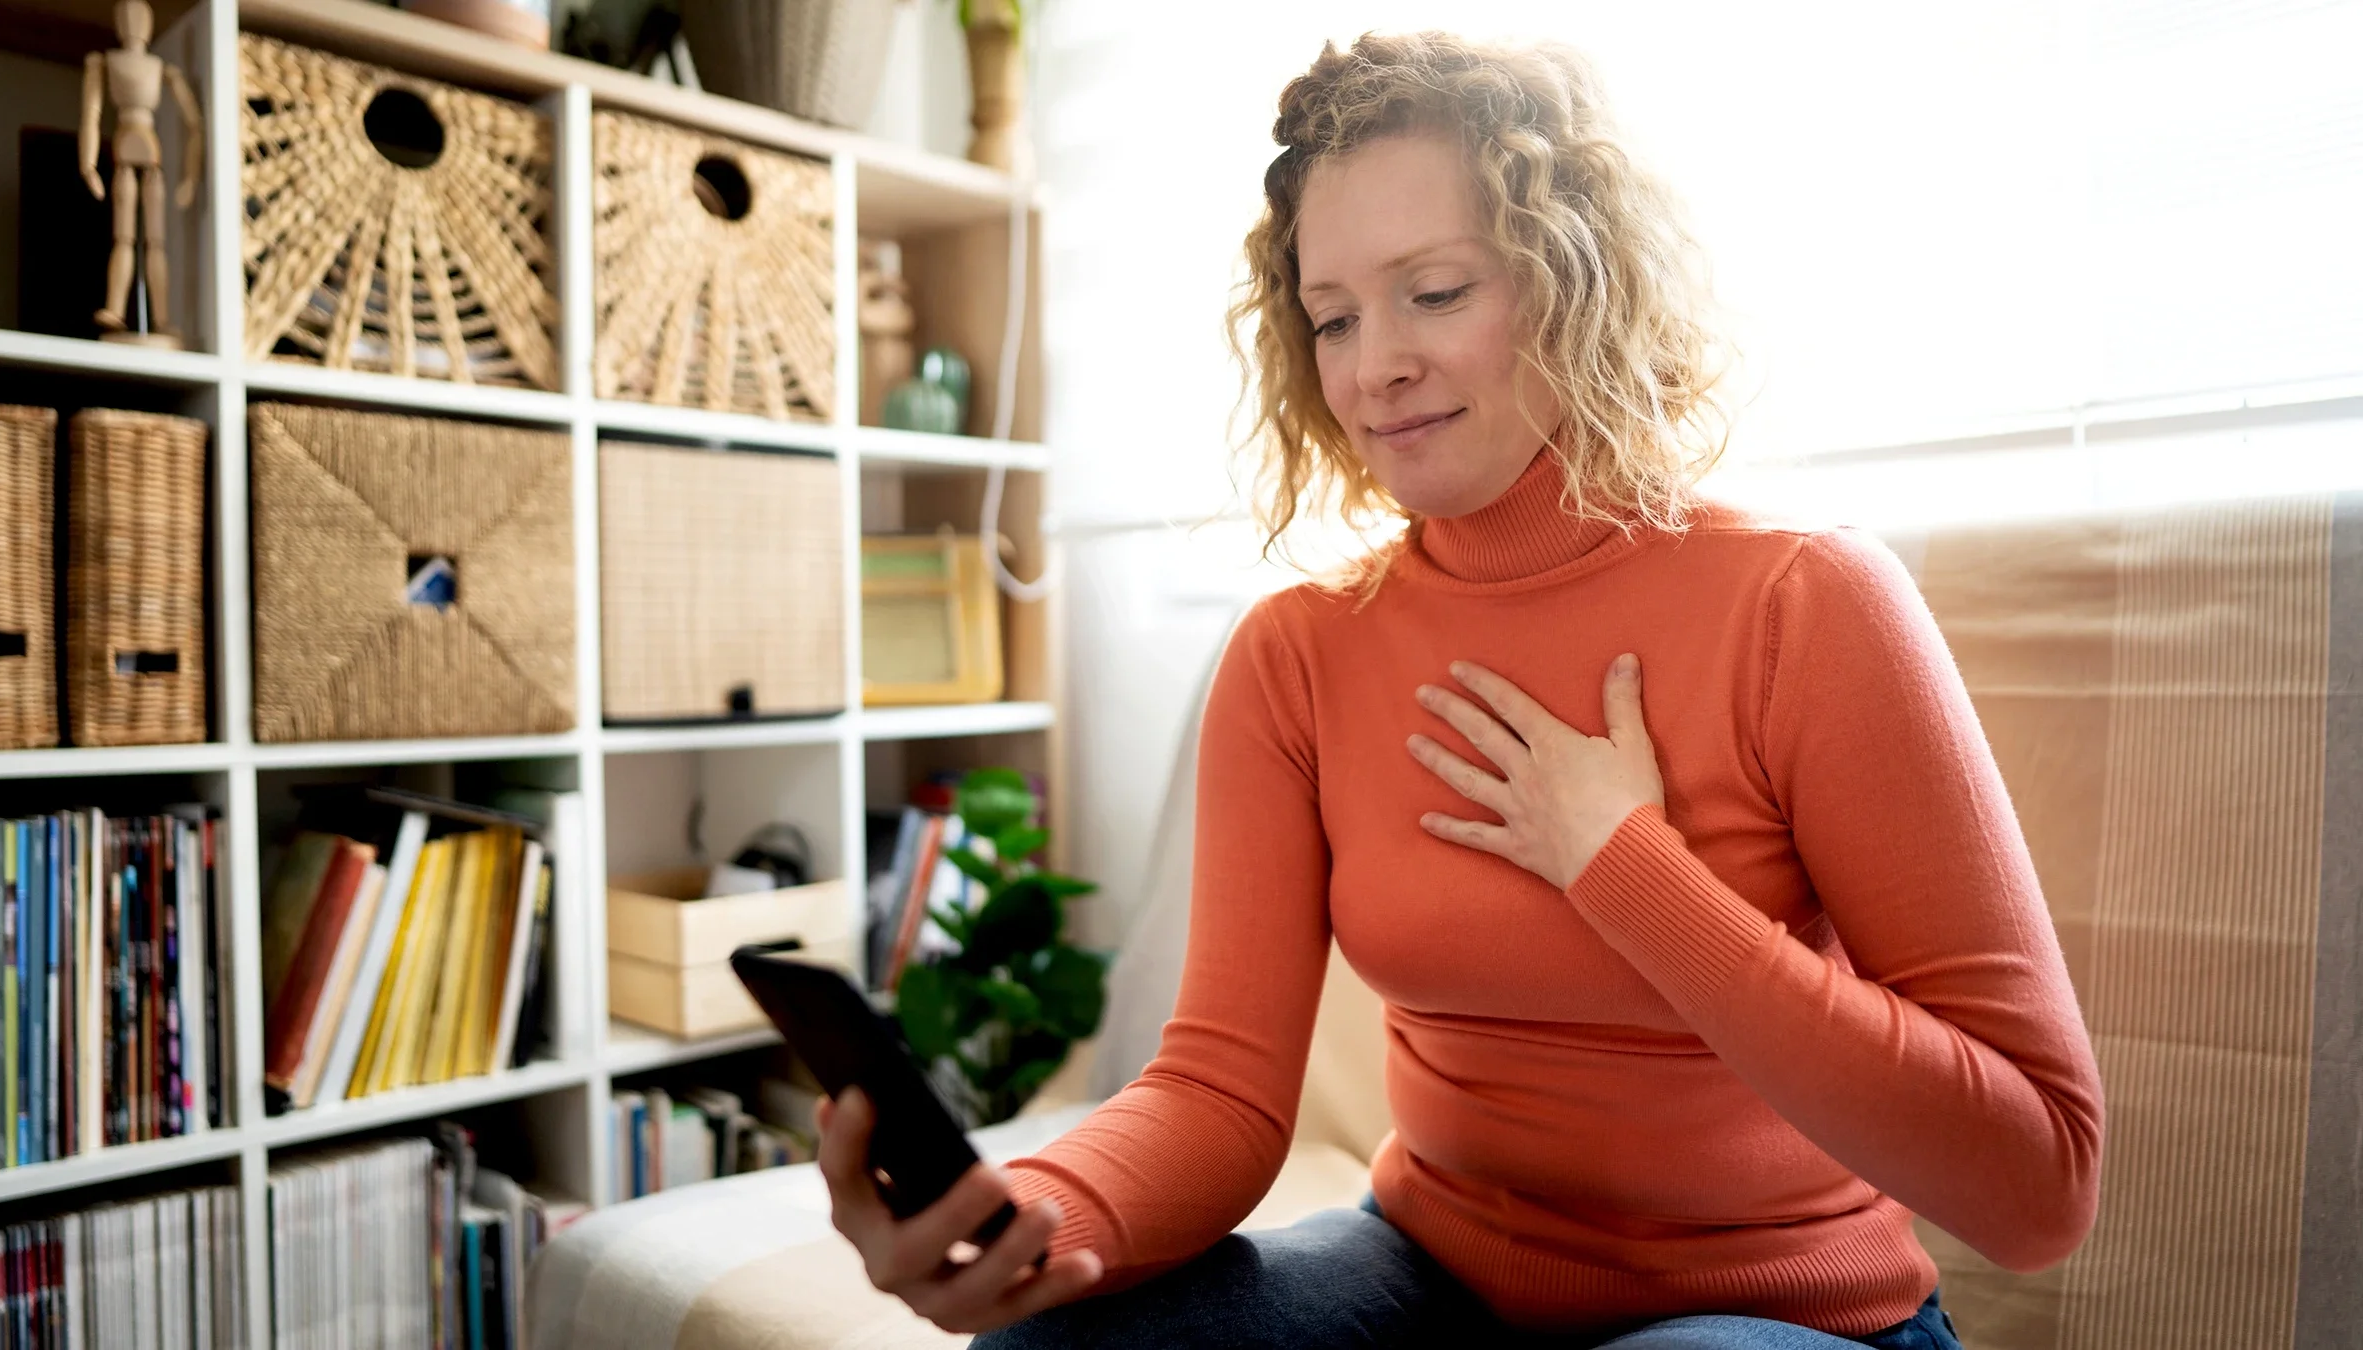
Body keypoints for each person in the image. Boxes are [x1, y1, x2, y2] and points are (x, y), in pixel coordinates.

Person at [811, 30, 2103, 1348]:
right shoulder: (1297, 657)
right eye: (1333, 317)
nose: (1376, 368)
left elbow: (2039, 1181)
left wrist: (1622, 862)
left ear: (1573, 279)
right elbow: (1217, 1089)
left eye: (1433, 292)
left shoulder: (1806, 604)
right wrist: (1035, 1215)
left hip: (1784, 1313)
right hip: (1436, 1283)